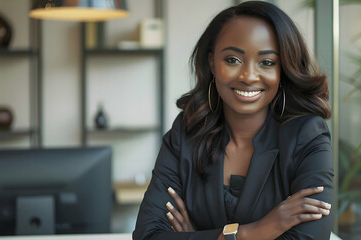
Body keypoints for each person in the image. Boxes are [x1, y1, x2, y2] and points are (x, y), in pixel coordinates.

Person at [133, 1, 334, 239]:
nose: (248, 76)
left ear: (283, 69)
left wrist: (201, 235)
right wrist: (249, 233)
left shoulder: (307, 134)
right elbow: (148, 235)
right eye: (232, 60)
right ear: (212, 63)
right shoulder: (186, 131)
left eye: (267, 62)